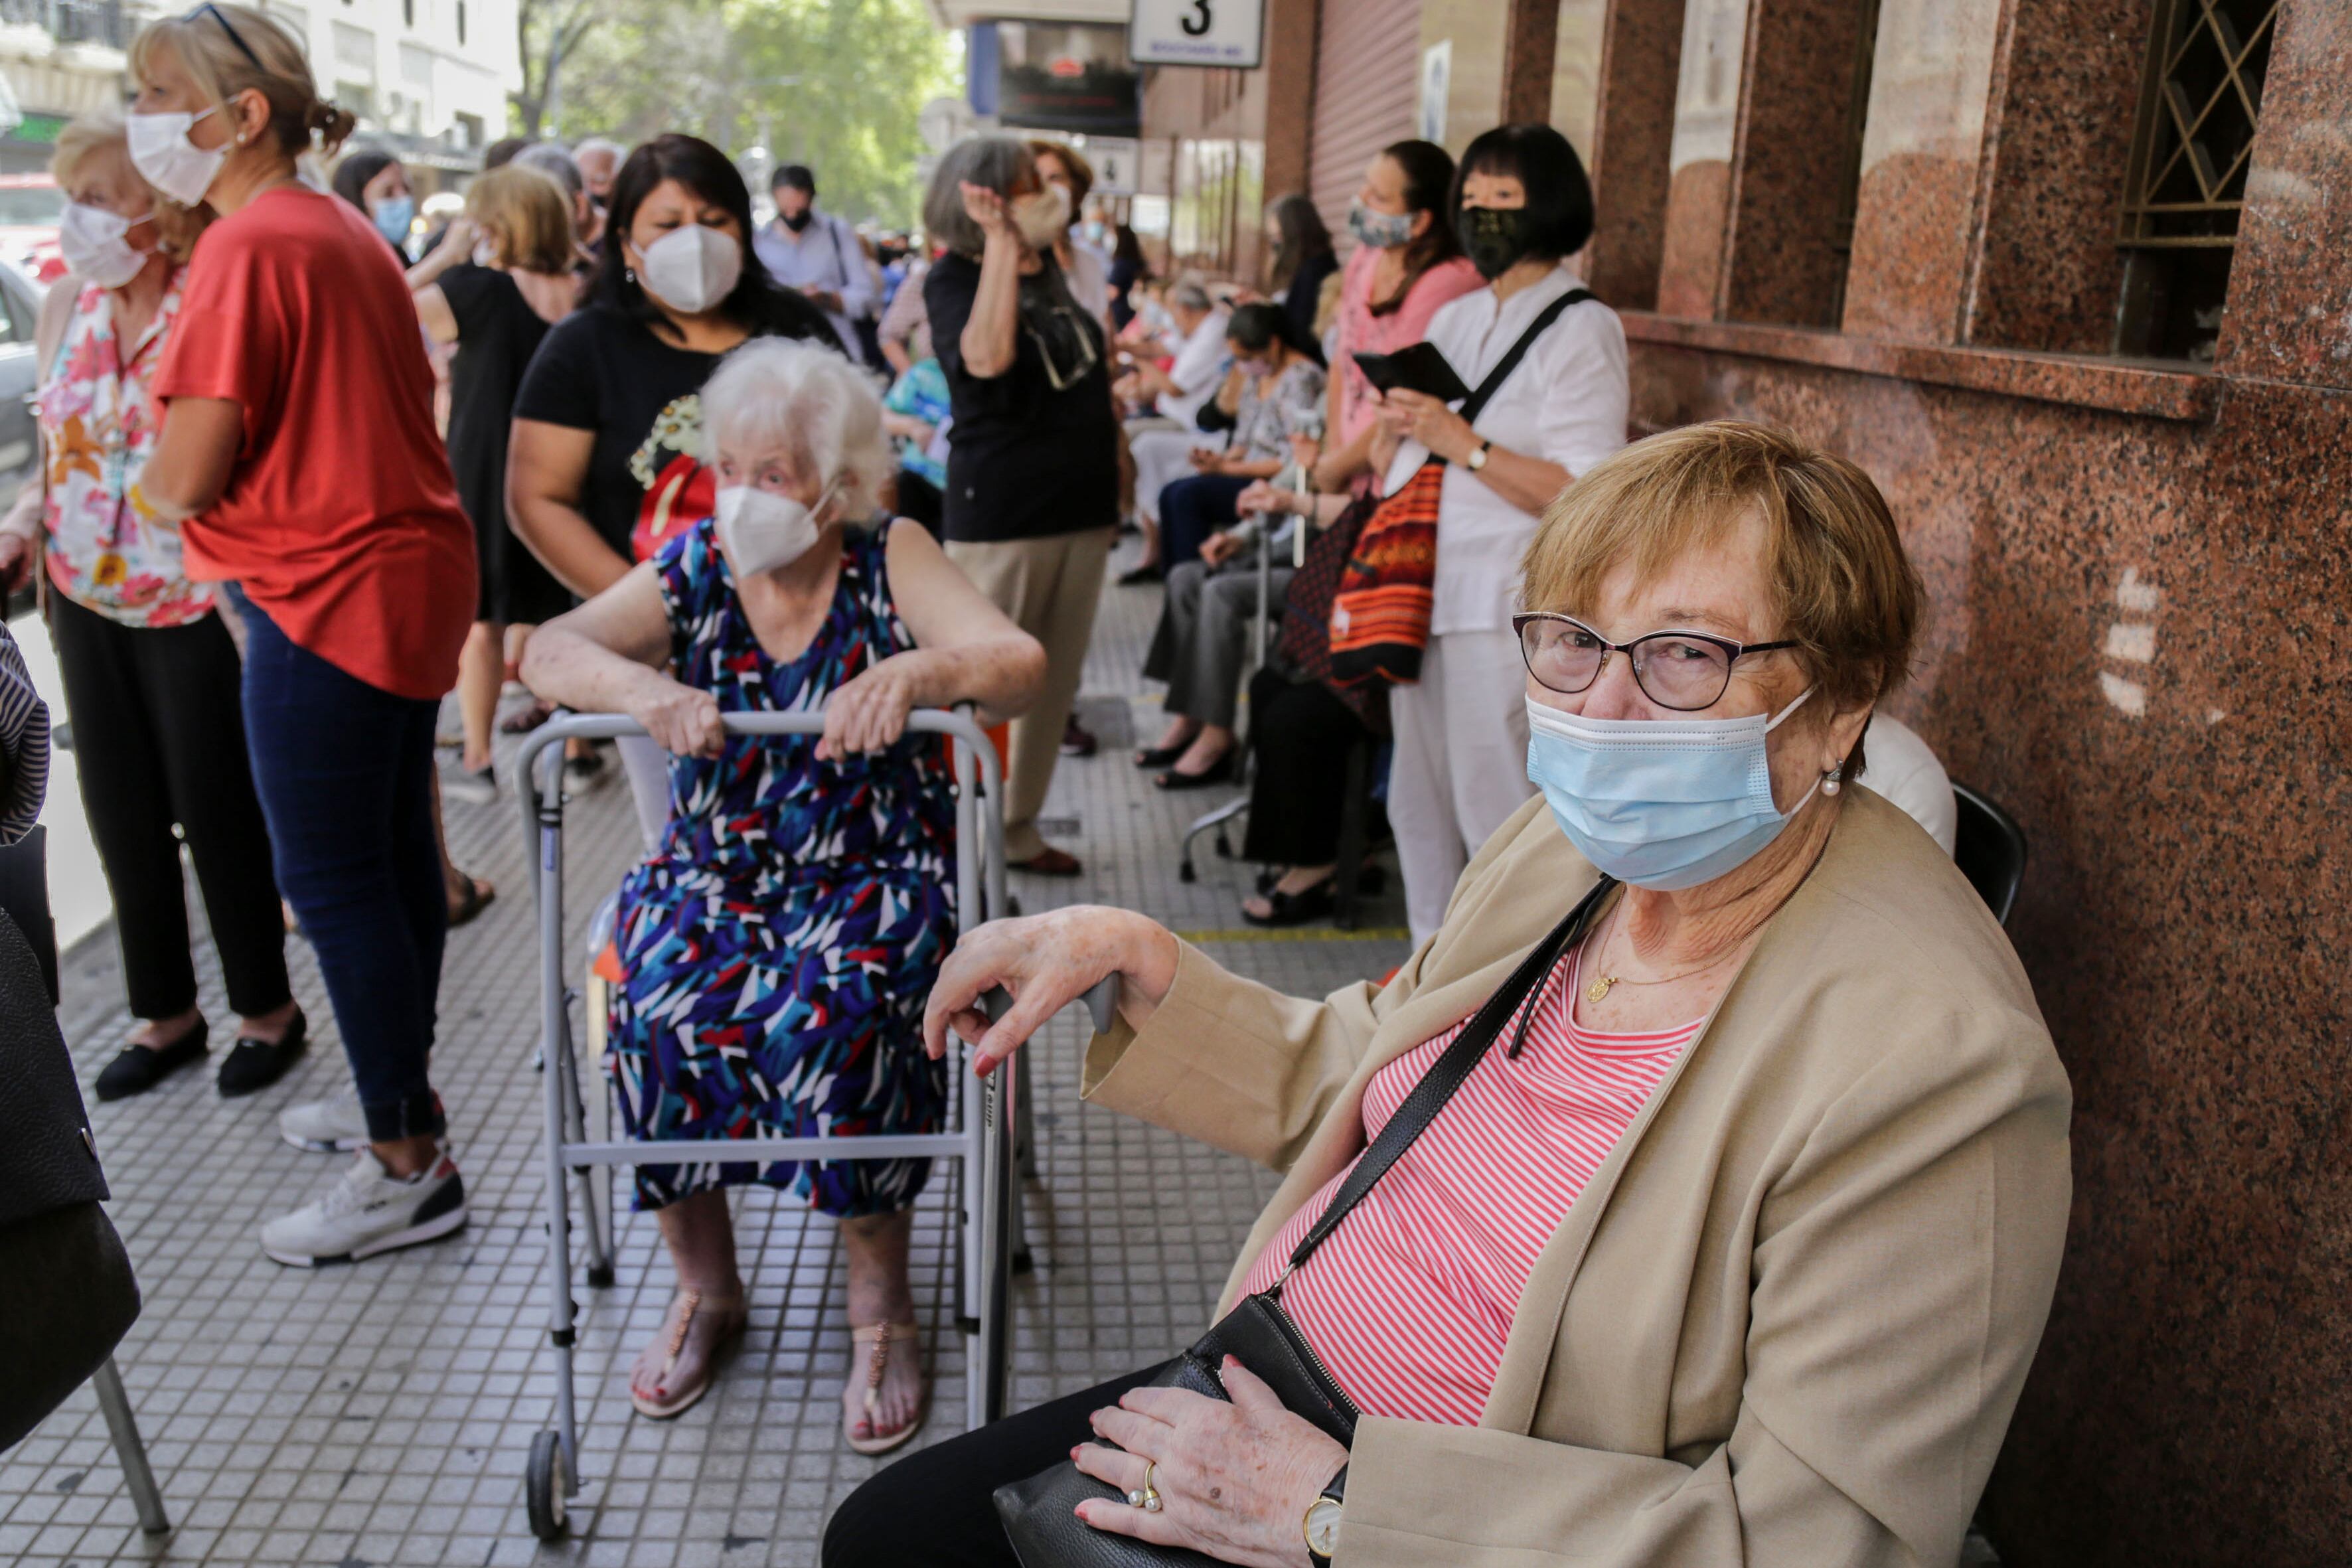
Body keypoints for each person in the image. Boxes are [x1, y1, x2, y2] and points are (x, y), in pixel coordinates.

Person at [825, 420, 2072, 1568]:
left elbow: (1813, 1540)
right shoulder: (1568, 847)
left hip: (1435, 1522)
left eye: (1685, 655)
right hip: (1270, 1385)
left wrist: (1335, 1512)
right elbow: (1376, 1063)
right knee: (887, 1537)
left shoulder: (1938, 1068)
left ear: (1840, 703)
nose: (1604, 712)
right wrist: (1145, 959)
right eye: (1574, 641)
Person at [518, 338, 1046, 1447]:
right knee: (657, 998)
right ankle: (707, 1290)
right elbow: (547, 652)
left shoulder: (887, 553)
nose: (749, 497)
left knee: (850, 1008)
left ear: (840, 485)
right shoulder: (693, 563)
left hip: (874, 865)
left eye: (780, 474)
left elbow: (1013, 659)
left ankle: (879, 1309)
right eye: (735, 470)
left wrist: (915, 669)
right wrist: (642, 689)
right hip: (716, 866)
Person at [125, 2, 477, 1263]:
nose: (143, 119)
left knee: (333, 881)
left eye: (157, 95)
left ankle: (405, 1162)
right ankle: (402, 1104)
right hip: (397, 575)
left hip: (321, 589)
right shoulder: (332, 224)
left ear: (242, 112)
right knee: (387, 868)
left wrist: (150, 481)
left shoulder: (246, 244)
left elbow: (189, 461)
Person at [0, 109, 303, 1101]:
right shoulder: (65, 309)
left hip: (194, 600)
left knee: (218, 811)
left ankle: (267, 1008)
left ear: (159, 213)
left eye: (97, 200)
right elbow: (61, 445)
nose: (79, 220)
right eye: (73, 199)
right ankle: (164, 1011)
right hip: (83, 593)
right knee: (120, 813)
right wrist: (23, 518)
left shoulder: (203, 306)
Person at [509, 133, 833, 846]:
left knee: (814, 832)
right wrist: (650, 610)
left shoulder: (798, 333)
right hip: (656, 657)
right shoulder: (584, 346)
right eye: (667, 223)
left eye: (714, 220)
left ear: (744, 232)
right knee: (687, 842)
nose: (695, 239)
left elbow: (860, 481)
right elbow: (537, 496)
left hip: (806, 640)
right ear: (627, 243)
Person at [1374, 123, 1628, 943]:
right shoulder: (1454, 316)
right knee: (1417, 802)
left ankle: (1507, 991)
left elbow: (1591, 494)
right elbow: (1414, 457)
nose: (1482, 215)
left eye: (1504, 200)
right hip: (1417, 595)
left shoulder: (1581, 327)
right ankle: (1426, 975)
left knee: (1499, 815)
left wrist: (1465, 444)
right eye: (1471, 200)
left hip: (1504, 605)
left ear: (1549, 207)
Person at [921, 136, 1119, 880]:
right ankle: (954, 830)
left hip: (1082, 504)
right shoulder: (954, 277)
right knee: (985, 682)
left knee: (1051, 682)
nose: (1049, 193)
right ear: (988, 199)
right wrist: (1000, 246)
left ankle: (1016, 826)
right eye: (1031, 184)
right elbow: (987, 358)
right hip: (1002, 510)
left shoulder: (1057, 269)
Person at [406, 164, 580, 802]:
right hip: (564, 462)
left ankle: (478, 756)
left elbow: (383, 308)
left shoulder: (474, 289)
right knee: (558, 603)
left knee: (480, 619)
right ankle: (578, 740)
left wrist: (444, 256)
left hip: (486, 461)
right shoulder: (581, 290)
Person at [1135, 303, 1326, 787]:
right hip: (1269, 512)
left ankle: (1216, 733)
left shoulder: (1307, 385)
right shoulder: (1255, 380)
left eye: (1248, 358)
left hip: (1295, 526)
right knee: (1184, 577)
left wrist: (1231, 476)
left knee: (1215, 585)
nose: (1245, 367)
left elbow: (1294, 471)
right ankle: (1189, 714)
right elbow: (1253, 445)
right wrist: (1222, 468)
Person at [1318, 139, 1482, 494]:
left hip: (1394, 475)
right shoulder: (1367, 255)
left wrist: (1336, 468)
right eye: (1365, 185)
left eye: (1378, 197)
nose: (1361, 199)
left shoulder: (1448, 281)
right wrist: (1335, 454)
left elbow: (1404, 396)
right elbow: (1342, 361)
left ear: (1421, 220)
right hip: (1349, 470)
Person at [1148, 301, 1326, 580]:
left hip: (1274, 482)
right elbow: (1243, 443)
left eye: (1245, 356)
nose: (1242, 365)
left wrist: (1226, 469)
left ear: (1273, 344)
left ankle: (1195, 582)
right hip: (1246, 470)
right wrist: (1217, 461)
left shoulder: (1302, 379)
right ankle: (1177, 587)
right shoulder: (1259, 374)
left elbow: (1290, 461)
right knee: (1170, 493)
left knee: (1186, 497)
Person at [1116, 276, 1229, 583]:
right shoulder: (1198, 328)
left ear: (1187, 311)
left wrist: (1137, 362)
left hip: (1194, 426)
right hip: (1178, 417)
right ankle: (1142, 523)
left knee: (1133, 442)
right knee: (1127, 436)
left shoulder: (1212, 332)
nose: (1171, 321)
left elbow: (1175, 388)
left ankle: (1145, 529)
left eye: (1173, 314)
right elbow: (1162, 346)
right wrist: (1123, 346)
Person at [751, 163, 874, 362]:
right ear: (775, 198)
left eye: (798, 210)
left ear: (811, 198)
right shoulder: (759, 241)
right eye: (786, 209)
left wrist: (826, 299)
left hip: (836, 349)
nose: (792, 215)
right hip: (780, 352)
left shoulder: (837, 233)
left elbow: (865, 296)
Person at [1028, 139, 1111, 332]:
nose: (1046, 190)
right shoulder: (1015, 263)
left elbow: (1106, 338)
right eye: (1035, 179)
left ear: (1076, 191)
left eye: (1055, 178)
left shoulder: (1089, 264)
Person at [1263, 193, 1337, 356]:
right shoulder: (1305, 267)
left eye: (1279, 237)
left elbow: (1301, 331)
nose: (1277, 246)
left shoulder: (1316, 270)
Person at [329, 145, 414, 260]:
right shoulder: (343, 257)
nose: (403, 199)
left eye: (407, 189)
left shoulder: (398, 255)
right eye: (388, 193)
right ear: (357, 200)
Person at [1107, 222, 1146, 331]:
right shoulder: (1135, 261)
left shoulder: (1122, 264)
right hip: (1130, 315)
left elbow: (1113, 291)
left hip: (1120, 316)